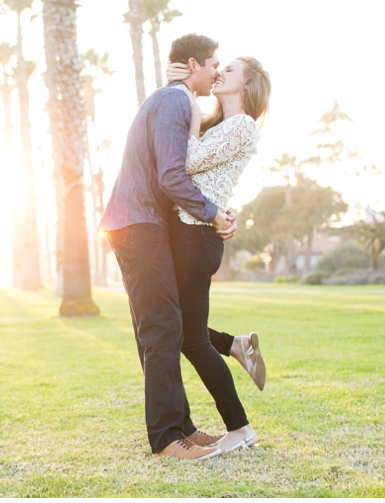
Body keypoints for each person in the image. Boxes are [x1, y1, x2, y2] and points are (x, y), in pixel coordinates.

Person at [99, 34, 237, 460]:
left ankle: (183, 428)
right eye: (214, 64)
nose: (218, 72)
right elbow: (171, 177)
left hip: (140, 224)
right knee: (161, 329)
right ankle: (165, 440)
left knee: (166, 326)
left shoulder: (178, 102)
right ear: (193, 64)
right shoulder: (174, 101)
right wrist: (213, 213)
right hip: (138, 225)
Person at [165, 52, 272, 452]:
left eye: (228, 70)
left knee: (188, 339)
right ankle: (234, 346)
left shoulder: (242, 125)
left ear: (244, 87)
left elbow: (187, 161)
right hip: (193, 234)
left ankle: (240, 429)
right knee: (175, 328)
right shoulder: (221, 125)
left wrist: (191, 111)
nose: (218, 71)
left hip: (196, 239)